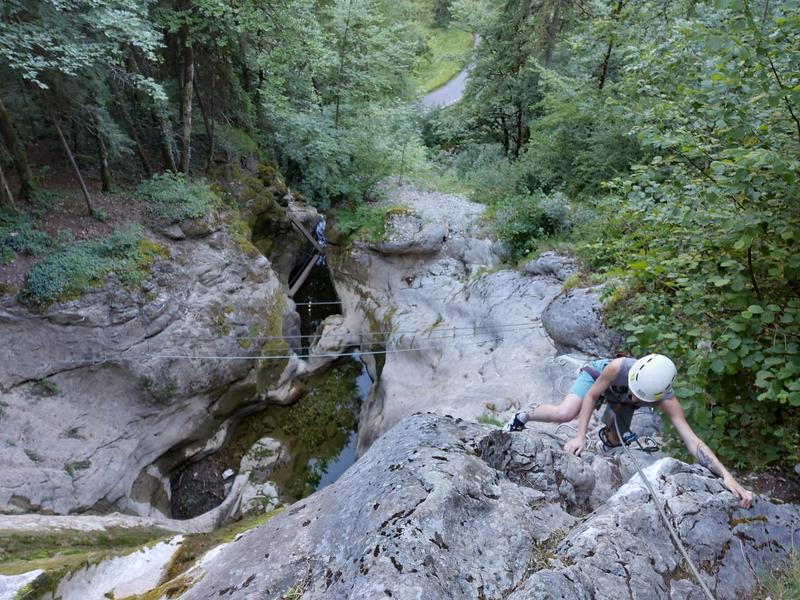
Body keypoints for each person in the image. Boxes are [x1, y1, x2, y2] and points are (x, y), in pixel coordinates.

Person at [506, 354, 754, 508]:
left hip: (621, 399)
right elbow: (592, 396)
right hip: (599, 379)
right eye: (637, 391)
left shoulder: (667, 399)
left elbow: (691, 439)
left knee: (616, 440)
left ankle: (607, 438)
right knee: (566, 412)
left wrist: (726, 476)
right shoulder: (619, 367)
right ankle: (523, 415)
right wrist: (580, 435)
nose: (637, 395)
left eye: (641, 395)